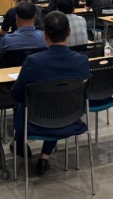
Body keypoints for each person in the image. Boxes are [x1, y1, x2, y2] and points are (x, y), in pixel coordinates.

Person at [11, 11, 90, 174]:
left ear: (44, 35)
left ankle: (19, 142)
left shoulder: (34, 61)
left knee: (24, 108)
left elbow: (17, 95)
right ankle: (44, 156)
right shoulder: (82, 61)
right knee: (58, 103)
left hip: (35, 123)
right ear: (69, 32)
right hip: (70, 119)